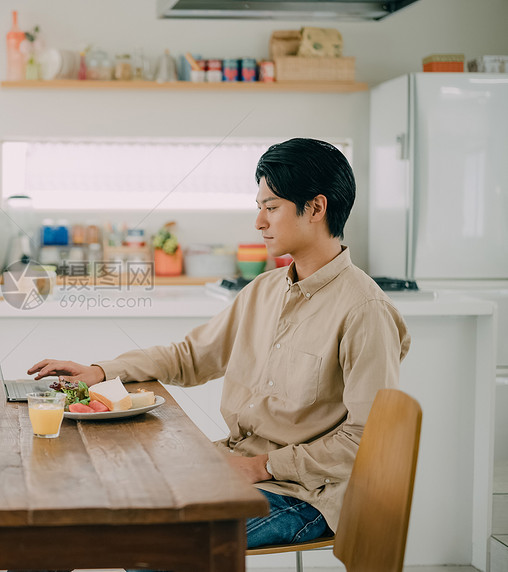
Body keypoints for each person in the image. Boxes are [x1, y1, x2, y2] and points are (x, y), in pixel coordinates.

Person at [27, 138, 411, 551]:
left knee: (153, 545)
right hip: (234, 462)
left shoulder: (364, 310)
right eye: (259, 207)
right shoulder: (263, 291)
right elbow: (191, 357)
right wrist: (101, 372)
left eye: (271, 207)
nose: (259, 222)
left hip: (302, 495)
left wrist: (261, 466)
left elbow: (366, 439)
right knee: (77, 508)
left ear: (316, 209)